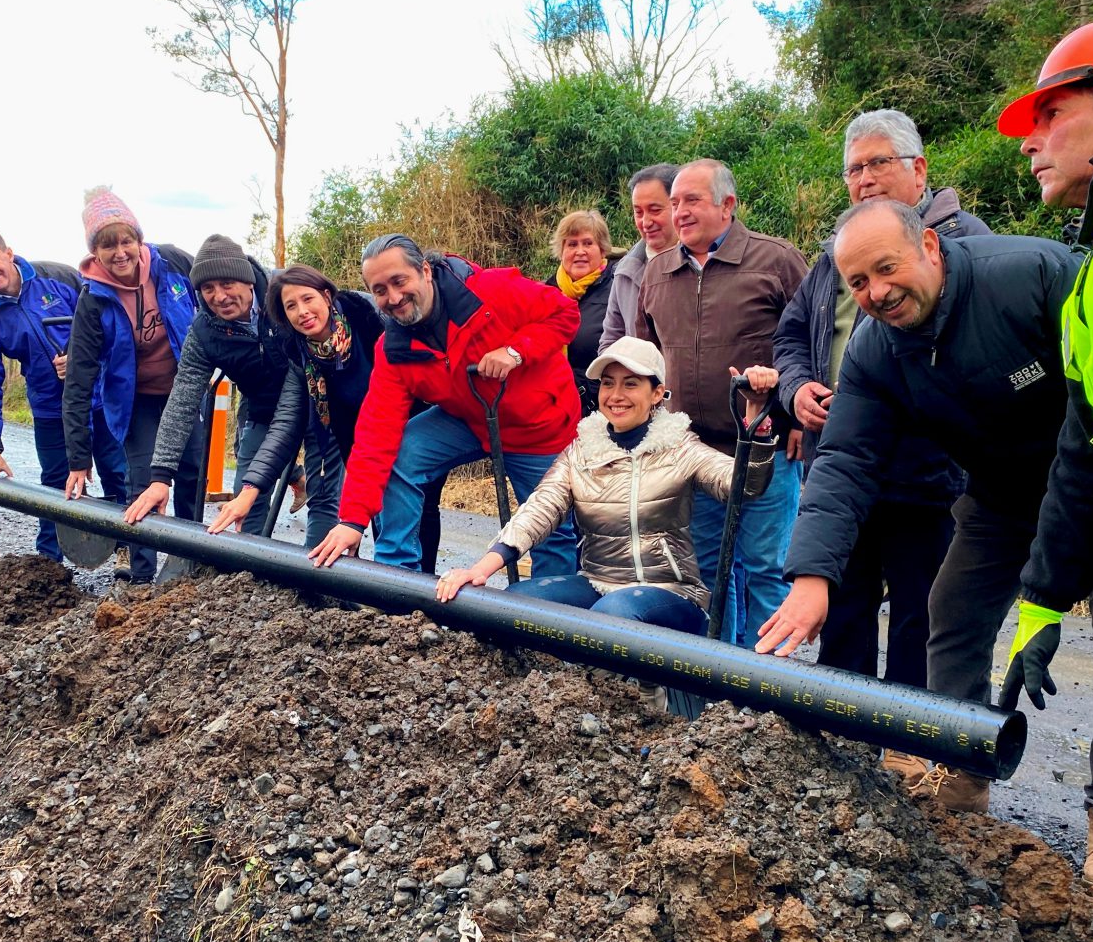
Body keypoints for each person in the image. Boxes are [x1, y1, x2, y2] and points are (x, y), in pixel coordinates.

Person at [756, 199, 1080, 813]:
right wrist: (811, 575)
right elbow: (847, 460)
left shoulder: (1033, 274)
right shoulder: (876, 350)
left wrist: (1054, 584)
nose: (876, 293)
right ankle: (960, 775)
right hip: (1000, 496)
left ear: (929, 246)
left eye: (886, 268)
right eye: (858, 283)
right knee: (950, 613)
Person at [771, 109, 990, 782]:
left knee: (922, 613)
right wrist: (797, 389)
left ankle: (905, 749)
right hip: (842, 465)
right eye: (853, 169)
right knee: (841, 603)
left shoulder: (967, 245)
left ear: (918, 169)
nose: (864, 180)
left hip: (930, 475)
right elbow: (789, 337)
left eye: (878, 164)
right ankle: (842, 739)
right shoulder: (830, 258)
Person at [435, 338, 778, 711]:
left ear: (657, 394)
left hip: (671, 594)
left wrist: (756, 426)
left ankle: (646, 703)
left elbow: (745, 486)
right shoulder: (581, 451)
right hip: (599, 583)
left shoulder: (681, 448)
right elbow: (539, 509)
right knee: (513, 606)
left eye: (631, 383)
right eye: (608, 383)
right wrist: (481, 569)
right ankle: (531, 707)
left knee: (610, 618)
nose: (616, 394)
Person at [997, 18, 1093, 883]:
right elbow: (1087, 444)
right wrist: (1040, 601)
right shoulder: (1092, 268)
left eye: (1054, 111)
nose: (1031, 140)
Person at [309, 234, 581, 575]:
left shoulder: (492, 291)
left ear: (424, 271)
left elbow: (564, 313)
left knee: (550, 529)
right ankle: (397, 579)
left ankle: (548, 610)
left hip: (537, 425)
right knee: (400, 453)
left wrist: (516, 351)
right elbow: (376, 433)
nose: (393, 298)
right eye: (380, 290)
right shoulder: (393, 349)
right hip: (466, 419)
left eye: (399, 281)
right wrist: (352, 519)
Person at [637, 158, 808, 648]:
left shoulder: (776, 260)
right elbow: (646, 357)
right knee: (708, 571)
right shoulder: (657, 271)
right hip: (693, 453)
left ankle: (768, 689)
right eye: (675, 203)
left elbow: (813, 343)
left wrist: (798, 419)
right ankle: (720, 683)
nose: (679, 212)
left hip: (766, 448)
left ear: (727, 204)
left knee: (766, 569)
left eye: (692, 200)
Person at [188, 264, 448, 564]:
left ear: (326, 295)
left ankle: (420, 594)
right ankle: (393, 589)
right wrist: (250, 489)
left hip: (412, 425)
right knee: (380, 514)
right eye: (291, 306)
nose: (302, 311)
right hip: (361, 443)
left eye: (307, 299)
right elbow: (285, 425)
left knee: (421, 507)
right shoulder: (301, 355)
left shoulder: (367, 314)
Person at [0, 227, 127, 567]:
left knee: (116, 472)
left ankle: (127, 550)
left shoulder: (60, 277)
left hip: (103, 399)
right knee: (54, 483)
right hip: (50, 410)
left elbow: (111, 322)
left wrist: (83, 357)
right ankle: (48, 564)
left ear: (9, 253)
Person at [62, 187, 203, 584]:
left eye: (126, 240)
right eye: (108, 245)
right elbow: (79, 380)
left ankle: (188, 566)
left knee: (191, 474)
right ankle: (142, 577)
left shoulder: (173, 263)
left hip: (183, 392)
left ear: (139, 240)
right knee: (142, 481)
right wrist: (78, 457)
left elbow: (214, 288)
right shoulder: (93, 299)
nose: (119, 252)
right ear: (95, 252)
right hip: (135, 400)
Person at [121, 233, 295, 538]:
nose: (219, 296)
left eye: (227, 284)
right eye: (208, 288)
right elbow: (182, 400)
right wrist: (160, 476)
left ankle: (320, 581)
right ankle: (247, 570)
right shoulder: (204, 332)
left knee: (326, 496)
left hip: (317, 402)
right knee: (247, 497)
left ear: (247, 281)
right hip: (262, 408)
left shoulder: (287, 294)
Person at [598, 164, 680, 352]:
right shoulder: (625, 271)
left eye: (655, 210)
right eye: (638, 212)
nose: (646, 222)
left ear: (678, 206)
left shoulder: (703, 263)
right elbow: (610, 340)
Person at [547, 209, 616, 415]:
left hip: (601, 410)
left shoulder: (618, 287)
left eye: (588, 243)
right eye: (572, 244)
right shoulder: (545, 293)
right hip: (553, 407)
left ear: (602, 249)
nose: (580, 251)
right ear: (561, 250)